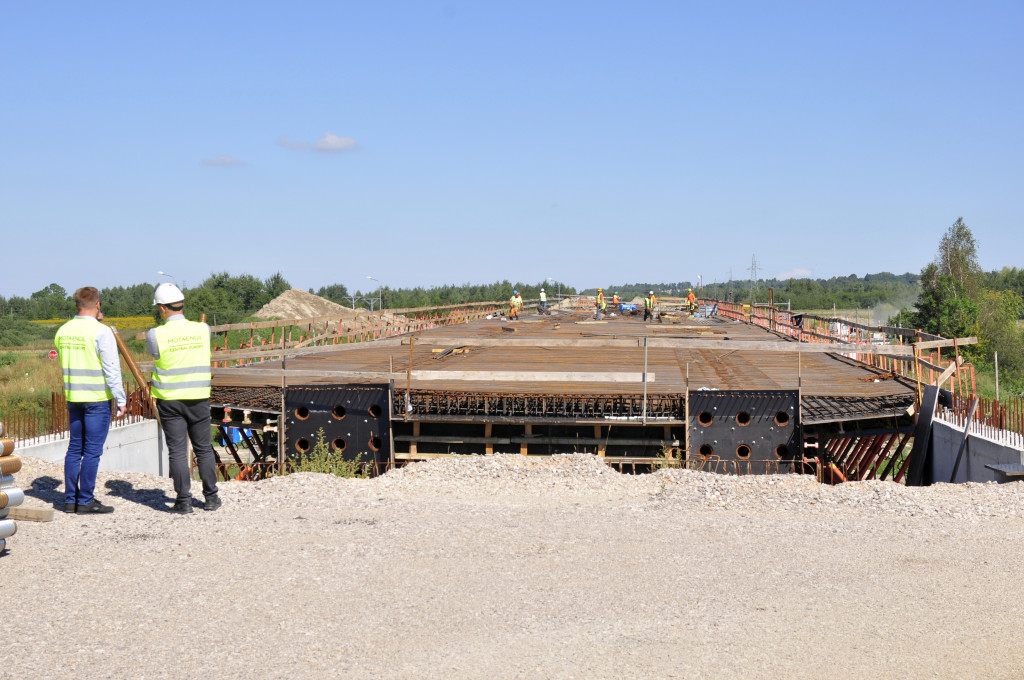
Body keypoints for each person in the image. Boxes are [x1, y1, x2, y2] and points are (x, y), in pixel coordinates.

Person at [147, 283, 220, 514]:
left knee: (177, 451)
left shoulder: (155, 334)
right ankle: (210, 498)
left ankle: (184, 501)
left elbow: (156, 356)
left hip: (170, 401)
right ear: (181, 304)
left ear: (161, 308)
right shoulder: (203, 329)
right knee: (204, 449)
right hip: (198, 398)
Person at [55, 287, 127, 514]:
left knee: (75, 448)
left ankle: (69, 500)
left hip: (74, 397)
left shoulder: (63, 331)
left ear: (76, 305)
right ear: (97, 305)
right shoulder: (101, 332)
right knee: (93, 451)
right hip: (97, 399)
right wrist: (121, 399)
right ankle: (85, 500)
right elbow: (111, 368)